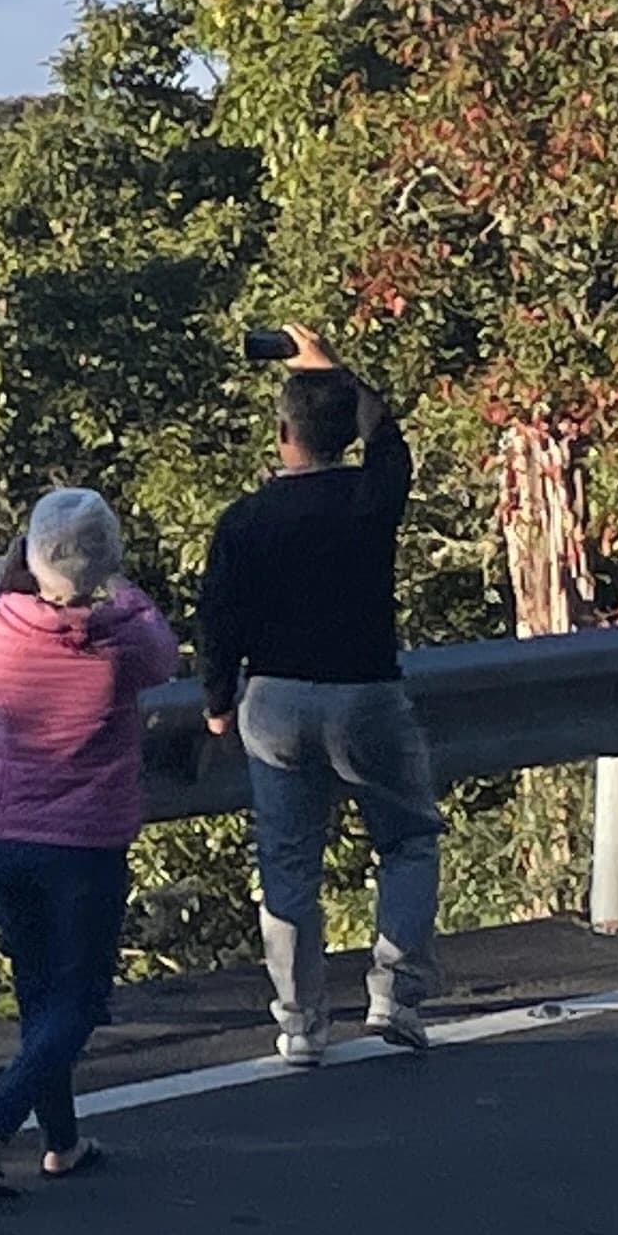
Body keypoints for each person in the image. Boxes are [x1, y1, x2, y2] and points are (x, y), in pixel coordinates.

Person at [196, 324, 440, 1065]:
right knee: (406, 839)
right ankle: (394, 998)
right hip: (364, 693)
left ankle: (301, 1025)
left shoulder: (245, 520)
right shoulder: (372, 497)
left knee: (288, 864)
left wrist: (215, 702)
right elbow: (387, 433)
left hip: (272, 700)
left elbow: (219, 617)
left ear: (282, 435)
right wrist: (334, 366)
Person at [0, 485, 177, 1181]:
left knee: (41, 995)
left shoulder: (2, 623)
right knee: (81, 1000)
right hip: (88, 843)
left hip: (4, 834)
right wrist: (122, 588)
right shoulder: (124, 635)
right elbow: (164, 656)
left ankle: (61, 1141)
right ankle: (2, 1118)